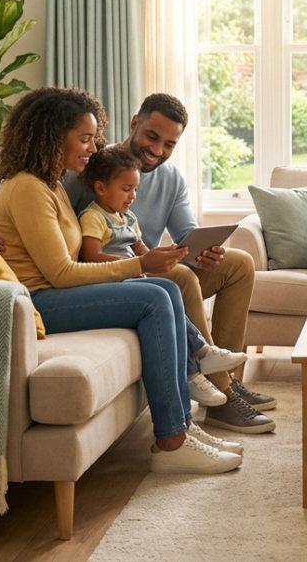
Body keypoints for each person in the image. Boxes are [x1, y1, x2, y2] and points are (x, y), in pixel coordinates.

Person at [0, 86, 243, 475]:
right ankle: (171, 441)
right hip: (37, 302)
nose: (93, 148)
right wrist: (140, 266)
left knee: (166, 288)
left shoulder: (50, 184)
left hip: (53, 294)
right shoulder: (27, 188)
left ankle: (183, 426)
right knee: (154, 297)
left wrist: (147, 267)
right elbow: (60, 273)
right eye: (85, 138)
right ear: (54, 136)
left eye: (93, 138)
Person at [63, 94, 274, 436]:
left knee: (239, 264)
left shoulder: (171, 178)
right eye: (151, 136)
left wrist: (204, 252)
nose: (157, 150)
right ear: (134, 124)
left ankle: (228, 377)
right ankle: (223, 393)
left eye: (169, 144)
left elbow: (186, 237)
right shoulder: (93, 170)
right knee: (181, 278)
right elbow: (66, 241)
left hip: (150, 265)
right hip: (114, 276)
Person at [76, 146, 248, 410]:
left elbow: (143, 250)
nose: (133, 196)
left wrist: (170, 254)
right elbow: (91, 257)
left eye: (135, 189)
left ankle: (208, 362)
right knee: (169, 289)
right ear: (100, 188)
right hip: (112, 281)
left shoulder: (128, 217)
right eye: (126, 189)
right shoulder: (93, 217)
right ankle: (204, 369)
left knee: (237, 265)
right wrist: (134, 264)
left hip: (135, 276)